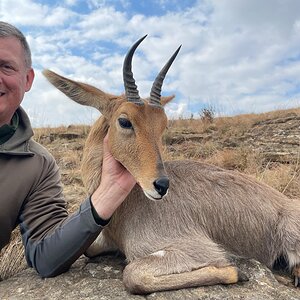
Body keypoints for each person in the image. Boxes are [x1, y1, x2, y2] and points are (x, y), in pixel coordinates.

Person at [0, 21, 136, 277]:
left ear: (27, 79)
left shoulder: (37, 165)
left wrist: (108, 192)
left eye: (6, 66)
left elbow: (46, 256)